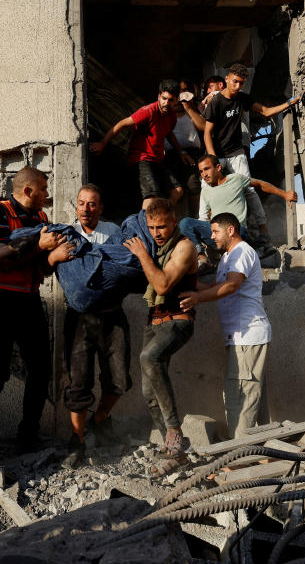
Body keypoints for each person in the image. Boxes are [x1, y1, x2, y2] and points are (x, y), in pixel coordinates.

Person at [0, 166, 71, 466]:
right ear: (28, 191)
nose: (47, 195)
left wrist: (54, 258)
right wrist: (39, 246)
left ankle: (28, 438)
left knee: (39, 371)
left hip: (28, 299)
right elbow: (2, 260)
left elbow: (38, 268)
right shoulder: (0, 212)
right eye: (43, 188)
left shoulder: (41, 219)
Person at [123, 199, 198, 476]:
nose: (156, 232)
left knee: (149, 357)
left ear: (174, 221)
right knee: (147, 392)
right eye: (152, 227)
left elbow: (163, 284)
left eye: (162, 226)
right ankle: (175, 453)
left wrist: (142, 254)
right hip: (154, 321)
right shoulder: (158, 247)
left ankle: (175, 432)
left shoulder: (184, 246)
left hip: (178, 320)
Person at [60, 184, 132, 468]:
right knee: (79, 382)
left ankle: (100, 419)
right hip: (79, 318)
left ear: (100, 208)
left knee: (119, 379)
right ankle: (76, 441)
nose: (86, 209)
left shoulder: (114, 232)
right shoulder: (67, 235)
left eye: (92, 204)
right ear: (76, 206)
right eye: (81, 203)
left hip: (113, 316)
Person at [179, 212, 270, 438]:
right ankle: (261, 452)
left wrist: (198, 298)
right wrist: (188, 283)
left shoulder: (241, 252)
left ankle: (239, 458)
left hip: (247, 337)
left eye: (215, 231)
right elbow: (216, 287)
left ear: (231, 230)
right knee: (252, 398)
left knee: (240, 398)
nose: (212, 237)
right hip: (241, 337)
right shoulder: (229, 257)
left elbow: (230, 287)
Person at [202, 63, 300, 240]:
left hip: (236, 153)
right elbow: (207, 132)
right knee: (207, 191)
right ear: (227, 79)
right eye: (235, 81)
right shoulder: (216, 102)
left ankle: (263, 228)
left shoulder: (243, 99)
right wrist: (212, 157)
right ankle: (205, 233)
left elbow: (266, 111)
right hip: (217, 155)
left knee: (249, 190)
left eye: (242, 83)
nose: (238, 86)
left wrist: (288, 103)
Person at [91, 79, 194, 210]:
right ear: (159, 96)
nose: (166, 103)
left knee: (177, 191)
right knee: (151, 197)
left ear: (176, 101)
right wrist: (102, 143)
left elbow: (169, 134)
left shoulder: (172, 116)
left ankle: (160, 218)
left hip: (158, 160)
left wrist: (182, 152)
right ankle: (146, 227)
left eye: (171, 100)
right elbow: (121, 124)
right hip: (142, 159)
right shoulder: (148, 111)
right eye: (164, 98)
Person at [179, 154, 297, 262]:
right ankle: (202, 258)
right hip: (217, 234)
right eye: (201, 171)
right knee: (184, 224)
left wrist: (284, 194)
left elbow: (260, 184)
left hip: (236, 233)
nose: (204, 174)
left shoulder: (235, 179)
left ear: (218, 167)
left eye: (207, 169)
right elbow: (203, 219)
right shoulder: (205, 191)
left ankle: (245, 253)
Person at [165, 79, 206, 217]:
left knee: (193, 185)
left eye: (185, 91)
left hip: (192, 153)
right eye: (179, 92)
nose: (182, 95)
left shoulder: (193, 110)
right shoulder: (166, 112)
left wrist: (188, 108)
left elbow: (204, 127)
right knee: (175, 190)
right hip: (171, 154)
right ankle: (172, 222)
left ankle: (194, 219)